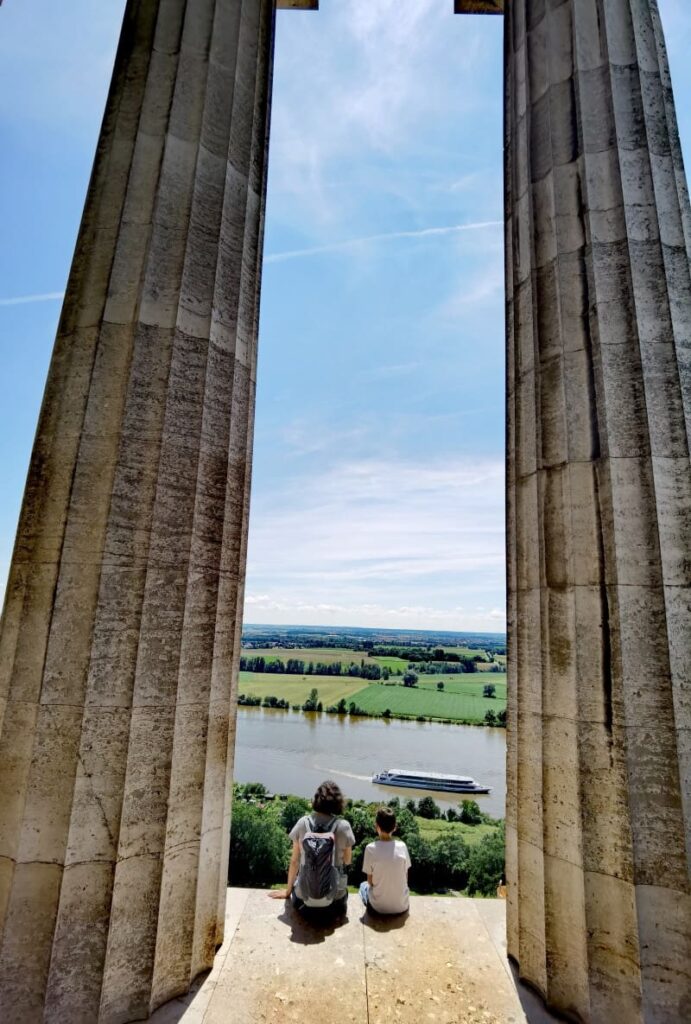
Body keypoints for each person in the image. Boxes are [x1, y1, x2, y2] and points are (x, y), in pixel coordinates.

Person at [270, 780, 355, 914]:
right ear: (338, 802)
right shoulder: (343, 826)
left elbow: (294, 861)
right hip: (334, 904)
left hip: (303, 902)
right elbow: (348, 861)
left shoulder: (303, 823)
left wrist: (287, 891)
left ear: (316, 800)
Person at [360, 806, 411, 915]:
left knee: (363, 885)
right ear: (394, 827)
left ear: (376, 826)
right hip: (402, 906)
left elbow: (370, 881)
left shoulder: (370, 848)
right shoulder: (402, 846)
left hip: (378, 909)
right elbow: (405, 877)